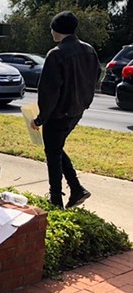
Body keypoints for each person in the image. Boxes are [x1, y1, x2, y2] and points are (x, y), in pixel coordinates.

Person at [31, 11, 101, 209]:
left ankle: (56, 199)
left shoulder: (56, 54)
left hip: (58, 113)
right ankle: (76, 188)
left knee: (52, 153)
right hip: (77, 110)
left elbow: (49, 91)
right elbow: (96, 76)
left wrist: (40, 119)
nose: (51, 31)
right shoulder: (89, 50)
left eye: (52, 27)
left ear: (57, 30)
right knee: (56, 148)